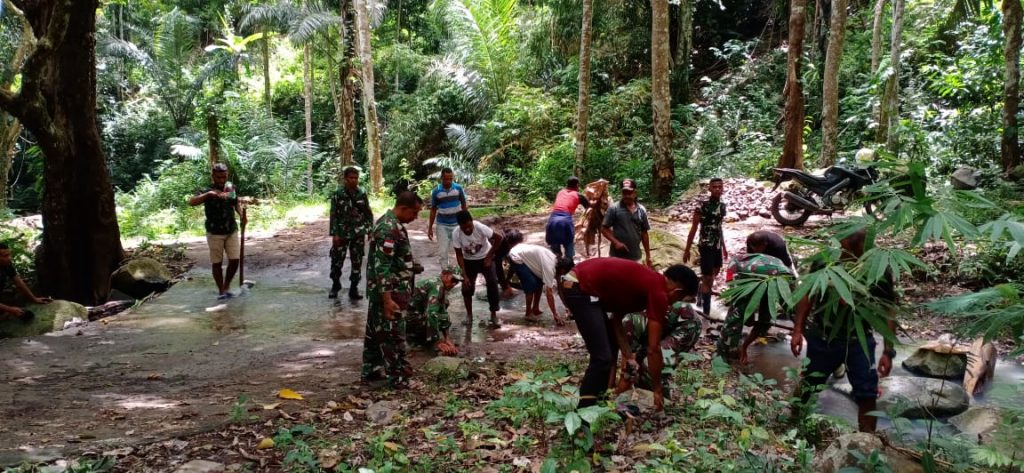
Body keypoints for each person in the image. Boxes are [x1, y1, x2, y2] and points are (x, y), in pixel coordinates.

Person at [791, 230, 898, 433]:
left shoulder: (878, 269)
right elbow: (807, 295)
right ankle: (793, 426)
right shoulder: (825, 262)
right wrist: (798, 330)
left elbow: (888, 308)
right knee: (811, 383)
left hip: (859, 339)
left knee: (867, 394)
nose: (840, 252)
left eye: (846, 250)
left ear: (860, 250)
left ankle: (866, 442)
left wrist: (888, 351)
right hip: (823, 336)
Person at [556, 257, 695, 411]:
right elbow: (653, 348)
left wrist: (628, 356)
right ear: (677, 291)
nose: (674, 303)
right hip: (578, 286)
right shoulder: (659, 292)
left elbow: (616, 321)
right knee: (602, 358)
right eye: (679, 299)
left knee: (609, 347)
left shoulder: (646, 286)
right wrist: (657, 389)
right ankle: (584, 414)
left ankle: (600, 403)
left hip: (580, 285)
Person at [362, 191, 424, 389]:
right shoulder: (389, 229)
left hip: (387, 290)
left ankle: (371, 370)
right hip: (390, 292)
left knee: (375, 331)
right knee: (393, 335)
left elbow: (391, 259)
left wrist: (409, 265)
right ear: (403, 208)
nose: (415, 217)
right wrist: (388, 300)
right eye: (414, 213)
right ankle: (398, 378)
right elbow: (382, 267)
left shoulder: (394, 224)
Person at [616, 266, 702, 396]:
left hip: (687, 325)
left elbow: (632, 363)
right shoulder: (618, 319)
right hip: (660, 326)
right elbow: (617, 361)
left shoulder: (627, 322)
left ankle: (661, 402)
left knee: (651, 366)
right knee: (639, 369)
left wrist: (620, 390)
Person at [717, 230, 797, 362]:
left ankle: (731, 351)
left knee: (743, 318)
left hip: (771, 281)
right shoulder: (742, 259)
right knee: (755, 318)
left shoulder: (778, 250)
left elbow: (732, 286)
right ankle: (734, 349)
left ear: (764, 244)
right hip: (761, 279)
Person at [188, 163, 247, 300]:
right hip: (214, 232)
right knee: (217, 263)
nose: (221, 180)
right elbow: (191, 202)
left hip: (231, 229)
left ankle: (226, 286)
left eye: (224, 177)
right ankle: (221, 290)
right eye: (219, 177)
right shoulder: (206, 190)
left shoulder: (230, 188)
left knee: (235, 259)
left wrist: (242, 216)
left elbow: (235, 202)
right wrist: (209, 194)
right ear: (213, 176)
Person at [328, 167, 374, 300]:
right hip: (341, 233)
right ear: (345, 178)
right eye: (351, 178)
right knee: (336, 260)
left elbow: (368, 213)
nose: (354, 180)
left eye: (356, 178)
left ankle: (354, 288)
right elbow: (333, 215)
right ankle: (335, 285)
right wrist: (334, 234)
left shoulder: (362, 193)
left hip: (358, 233)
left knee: (357, 261)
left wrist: (370, 230)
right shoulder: (338, 194)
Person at [683, 178, 728, 315]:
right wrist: (687, 249)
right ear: (709, 189)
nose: (717, 189)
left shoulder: (722, 206)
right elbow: (694, 228)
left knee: (715, 271)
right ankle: (706, 312)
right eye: (714, 187)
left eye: (720, 187)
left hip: (717, 245)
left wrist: (724, 247)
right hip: (706, 244)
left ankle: (701, 293)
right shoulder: (702, 206)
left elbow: (719, 227)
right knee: (708, 277)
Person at [453, 210, 504, 328]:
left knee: (492, 283)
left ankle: (493, 314)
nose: (467, 229)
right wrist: (464, 275)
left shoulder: (480, 227)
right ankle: (469, 315)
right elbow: (459, 254)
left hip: (485, 257)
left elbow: (499, 238)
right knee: (466, 287)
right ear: (459, 226)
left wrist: (489, 256)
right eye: (463, 227)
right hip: (468, 261)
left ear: (472, 222)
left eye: (469, 226)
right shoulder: (456, 233)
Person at [505, 230, 565, 326]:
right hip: (516, 257)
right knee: (531, 284)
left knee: (540, 282)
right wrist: (555, 314)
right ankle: (528, 313)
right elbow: (549, 293)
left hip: (523, 254)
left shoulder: (553, 259)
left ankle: (535, 308)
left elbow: (558, 287)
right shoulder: (550, 268)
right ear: (561, 270)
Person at [406, 266, 462, 356]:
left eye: (457, 282)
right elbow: (431, 314)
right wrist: (437, 342)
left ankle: (424, 339)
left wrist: (447, 338)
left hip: (416, 313)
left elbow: (443, 313)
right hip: (408, 317)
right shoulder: (437, 285)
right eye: (453, 280)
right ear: (444, 275)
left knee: (444, 307)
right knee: (432, 315)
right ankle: (421, 341)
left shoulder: (441, 286)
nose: (454, 284)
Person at [601, 179, 652, 267]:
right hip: (616, 256)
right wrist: (616, 242)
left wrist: (648, 255)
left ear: (635, 193)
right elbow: (603, 228)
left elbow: (644, 233)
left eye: (629, 193)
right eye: (624, 193)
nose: (627, 196)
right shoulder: (614, 208)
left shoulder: (641, 210)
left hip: (635, 256)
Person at [427, 168, 468, 267]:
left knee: (461, 249)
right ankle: (445, 273)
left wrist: (466, 222)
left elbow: (464, 205)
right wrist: (430, 228)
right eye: (446, 179)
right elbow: (433, 210)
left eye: (450, 179)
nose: (448, 181)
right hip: (442, 225)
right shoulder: (436, 191)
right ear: (441, 178)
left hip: (457, 224)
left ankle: (463, 272)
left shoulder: (458, 188)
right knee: (443, 251)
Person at [0, 243, 51, 319]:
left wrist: (34, 299)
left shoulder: (6, 265)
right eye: (5, 256)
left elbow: (19, 282)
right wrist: (10, 310)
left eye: (9, 255)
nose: (10, 258)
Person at [545, 176, 590, 261]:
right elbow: (588, 207)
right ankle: (568, 264)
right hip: (565, 221)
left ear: (567, 184)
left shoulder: (560, 192)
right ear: (577, 185)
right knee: (569, 246)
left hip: (552, 220)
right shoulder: (578, 195)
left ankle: (556, 266)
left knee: (555, 251)